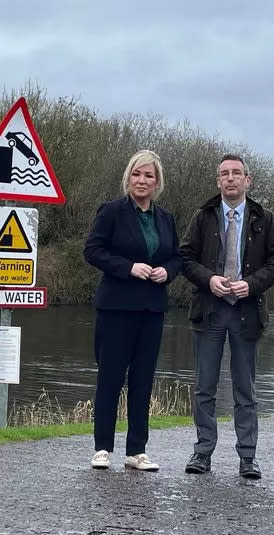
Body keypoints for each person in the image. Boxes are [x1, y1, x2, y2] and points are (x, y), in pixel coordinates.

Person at [179, 154, 274, 478]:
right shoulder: (204, 216)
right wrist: (208, 279)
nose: (230, 178)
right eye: (224, 174)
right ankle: (202, 453)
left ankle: (248, 458)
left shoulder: (264, 218)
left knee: (245, 389)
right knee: (205, 387)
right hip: (210, 311)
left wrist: (251, 285)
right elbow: (185, 257)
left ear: (247, 180)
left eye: (236, 173)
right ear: (218, 182)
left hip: (246, 312)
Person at [83, 149, 181, 471]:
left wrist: (168, 271)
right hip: (116, 307)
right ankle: (102, 449)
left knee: (143, 380)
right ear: (128, 177)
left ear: (157, 183)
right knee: (110, 377)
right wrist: (128, 267)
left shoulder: (165, 218)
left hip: (152, 309)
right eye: (137, 174)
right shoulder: (111, 212)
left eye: (149, 176)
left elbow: (177, 257)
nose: (142, 180)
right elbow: (93, 251)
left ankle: (136, 451)